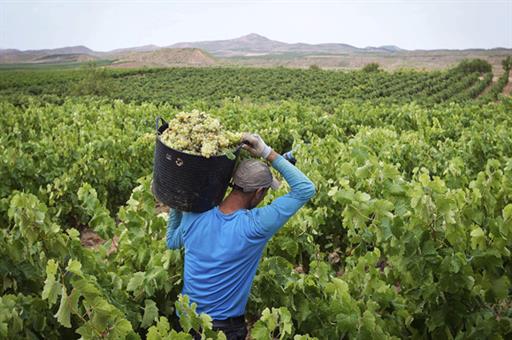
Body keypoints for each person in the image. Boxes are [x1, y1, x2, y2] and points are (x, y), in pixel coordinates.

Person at [166, 133, 316, 340]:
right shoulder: (255, 226)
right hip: (222, 330)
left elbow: (172, 241)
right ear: (259, 192)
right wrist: (266, 152)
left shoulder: (196, 214)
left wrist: (177, 204)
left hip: (186, 322)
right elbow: (305, 189)